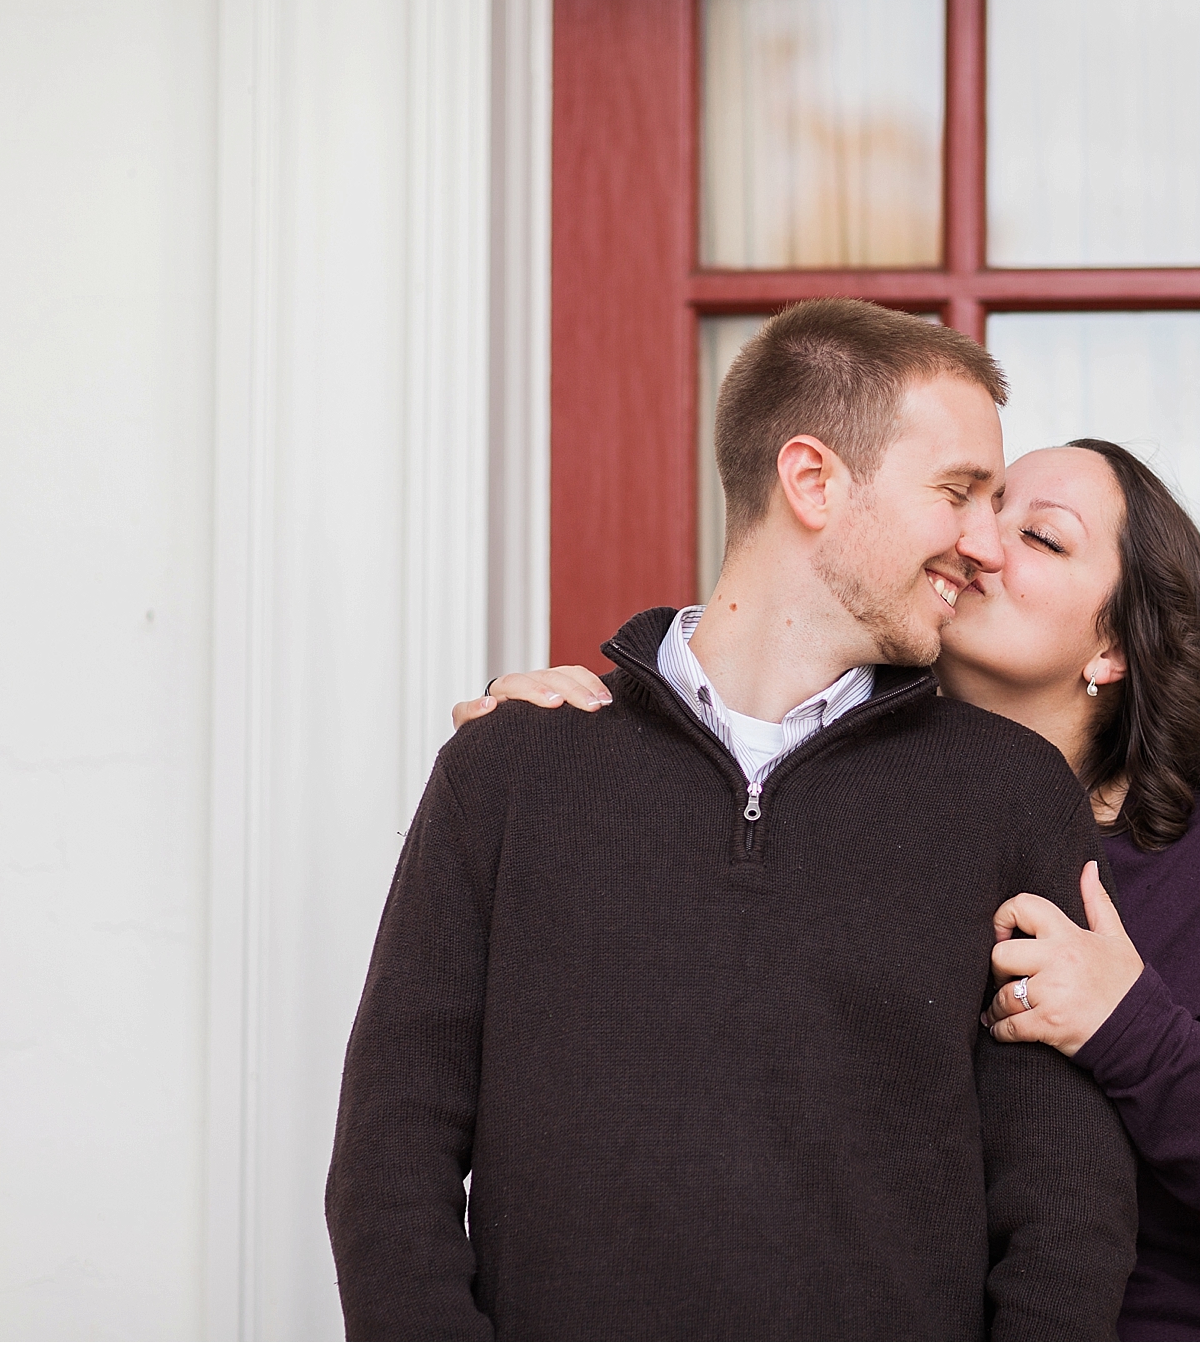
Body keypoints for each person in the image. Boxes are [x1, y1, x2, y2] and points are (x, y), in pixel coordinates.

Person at [468, 435, 1200, 1340]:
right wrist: (577, 749)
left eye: (1040, 536)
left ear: (1116, 651)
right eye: (969, 504)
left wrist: (1130, 1025)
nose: (979, 543)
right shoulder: (812, 805)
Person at [326, 299, 1139, 1341]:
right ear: (811, 481)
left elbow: (1066, 1210)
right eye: (956, 493)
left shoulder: (1008, 795)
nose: (984, 544)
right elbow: (391, 1155)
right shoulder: (510, 769)